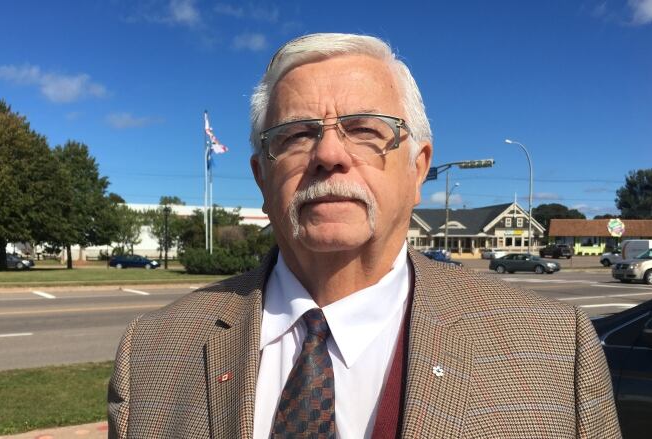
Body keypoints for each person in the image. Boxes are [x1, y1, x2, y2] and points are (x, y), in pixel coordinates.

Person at [108, 33, 620, 439]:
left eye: (365, 129)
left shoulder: (553, 351)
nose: (329, 154)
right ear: (263, 178)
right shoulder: (151, 353)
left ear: (418, 170)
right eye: (297, 134)